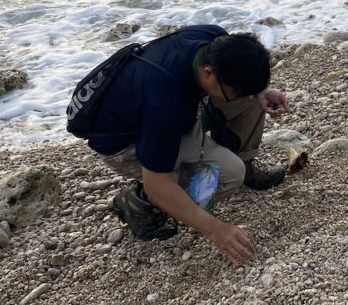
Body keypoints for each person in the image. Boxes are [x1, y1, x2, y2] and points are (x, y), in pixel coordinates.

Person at [83, 25, 289, 263]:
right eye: (235, 91)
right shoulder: (164, 104)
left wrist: (260, 91)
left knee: (251, 98)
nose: (241, 95)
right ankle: (138, 202)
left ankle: (245, 160)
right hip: (126, 144)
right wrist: (216, 229)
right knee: (230, 174)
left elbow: (241, 84)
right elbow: (156, 182)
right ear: (208, 72)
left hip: (173, 108)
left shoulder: (211, 38)